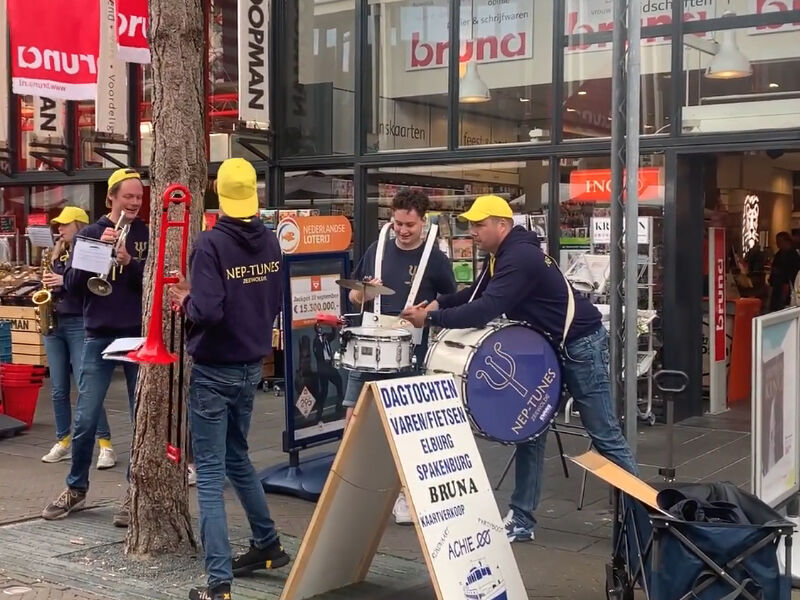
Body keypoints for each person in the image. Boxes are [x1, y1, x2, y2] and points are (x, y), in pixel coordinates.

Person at [401, 195, 638, 543]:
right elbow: (475, 294)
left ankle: (640, 520)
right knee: (530, 430)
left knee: (603, 435)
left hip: (579, 345)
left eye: (480, 225)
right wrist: (440, 302)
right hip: (550, 346)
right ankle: (522, 520)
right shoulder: (502, 255)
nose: (473, 232)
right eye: (471, 225)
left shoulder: (519, 257)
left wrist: (432, 317)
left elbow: (486, 309)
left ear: (503, 225)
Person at [167, 158, 289, 600]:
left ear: (219, 195)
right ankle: (268, 544)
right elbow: (272, 302)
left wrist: (184, 300)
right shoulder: (272, 242)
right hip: (250, 366)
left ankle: (218, 583)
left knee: (213, 472)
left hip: (215, 369)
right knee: (237, 458)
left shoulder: (211, 244)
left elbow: (210, 311)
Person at [41, 168, 149, 525]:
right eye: (128, 197)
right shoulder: (89, 232)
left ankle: (133, 494)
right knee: (86, 418)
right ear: (111, 199)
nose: (134, 203)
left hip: (136, 335)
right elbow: (71, 286)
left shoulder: (145, 234)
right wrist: (97, 252)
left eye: (138, 197)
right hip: (98, 334)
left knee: (140, 420)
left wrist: (130, 263)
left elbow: (151, 283)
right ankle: (76, 488)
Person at [344, 189, 456, 524]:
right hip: (371, 338)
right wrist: (364, 291)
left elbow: (450, 299)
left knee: (406, 422)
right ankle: (349, 489)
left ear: (423, 222)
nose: (403, 231)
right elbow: (353, 298)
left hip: (410, 344)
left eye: (409, 225)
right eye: (397, 223)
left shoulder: (435, 259)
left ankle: (407, 494)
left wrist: (427, 309)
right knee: (354, 415)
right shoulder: (376, 250)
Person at [40, 207, 116, 468]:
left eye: (64, 225)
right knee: (58, 389)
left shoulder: (88, 250)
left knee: (87, 387)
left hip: (77, 322)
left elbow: (91, 287)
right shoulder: (58, 253)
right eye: (58, 226)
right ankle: (63, 440)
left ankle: (105, 444)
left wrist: (62, 280)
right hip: (54, 323)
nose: (59, 230)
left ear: (80, 226)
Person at [312, 323, 344, 422]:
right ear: (316, 330)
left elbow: (333, 335)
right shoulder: (316, 341)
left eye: (320, 326)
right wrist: (322, 341)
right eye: (318, 327)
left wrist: (333, 325)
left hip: (329, 365)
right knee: (324, 391)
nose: (320, 328)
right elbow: (317, 353)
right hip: (323, 367)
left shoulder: (325, 337)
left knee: (339, 382)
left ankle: (339, 407)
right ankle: (319, 413)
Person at [768, 231, 800, 312]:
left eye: (780, 241)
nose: (778, 243)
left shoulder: (793, 255)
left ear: (787, 241)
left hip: (786, 286)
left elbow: (792, 272)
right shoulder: (779, 254)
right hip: (777, 286)